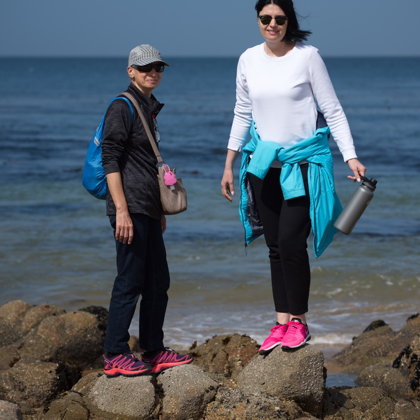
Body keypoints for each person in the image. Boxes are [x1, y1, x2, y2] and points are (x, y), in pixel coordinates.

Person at [221, 0, 366, 353]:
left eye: (279, 18)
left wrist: (350, 156)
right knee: (274, 247)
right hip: (262, 166)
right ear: (258, 20)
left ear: (289, 21)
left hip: (302, 165)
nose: (272, 24)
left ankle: (299, 321)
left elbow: (332, 110)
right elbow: (242, 112)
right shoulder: (248, 59)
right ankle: (281, 321)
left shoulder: (307, 57)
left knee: (290, 242)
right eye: (265, 18)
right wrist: (229, 164)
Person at [101, 44, 192, 377]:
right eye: (145, 68)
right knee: (130, 280)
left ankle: (153, 349)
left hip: (148, 206)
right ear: (131, 72)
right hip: (130, 207)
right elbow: (110, 160)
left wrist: (159, 210)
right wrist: (121, 211)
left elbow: (142, 162)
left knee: (157, 281)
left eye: (158, 68)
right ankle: (114, 353)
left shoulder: (147, 107)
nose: (153, 73)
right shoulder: (122, 106)